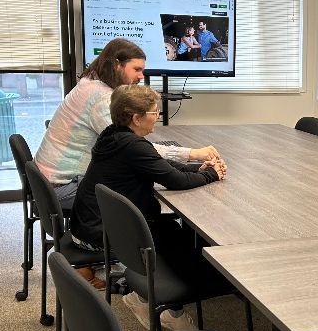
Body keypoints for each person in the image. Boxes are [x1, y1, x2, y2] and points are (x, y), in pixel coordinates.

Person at [70, 85, 227, 331]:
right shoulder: (132, 145)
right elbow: (174, 180)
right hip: (101, 234)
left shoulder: (114, 135)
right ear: (136, 117)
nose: (158, 116)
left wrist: (198, 169)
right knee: (186, 245)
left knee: (182, 235)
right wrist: (211, 174)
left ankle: (141, 296)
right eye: (155, 112)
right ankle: (168, 309)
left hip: (93, 223)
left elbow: (160, 165)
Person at [34, 38, 219, 208]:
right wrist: (192, 154)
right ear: (117, 65)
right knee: (140, 181)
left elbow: (137, 148)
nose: (141, 76)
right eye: (136, 69)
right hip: (63, 188)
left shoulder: (90, 84)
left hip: (49, 182)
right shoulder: (102, 99)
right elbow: (136, 150)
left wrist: (189, 168)